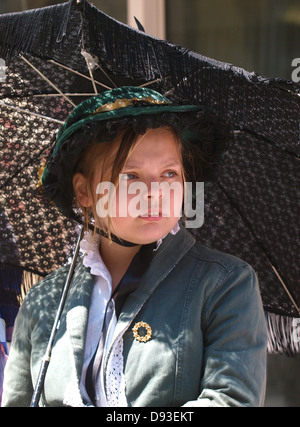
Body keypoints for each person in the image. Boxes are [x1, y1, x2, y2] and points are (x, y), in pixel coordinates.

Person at [2, 86, 268, 407]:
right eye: (130, 176)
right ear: (85, 191)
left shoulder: (226, 284)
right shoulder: (42, 302)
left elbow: (232, 399)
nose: (154, 192)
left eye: (170, 173)